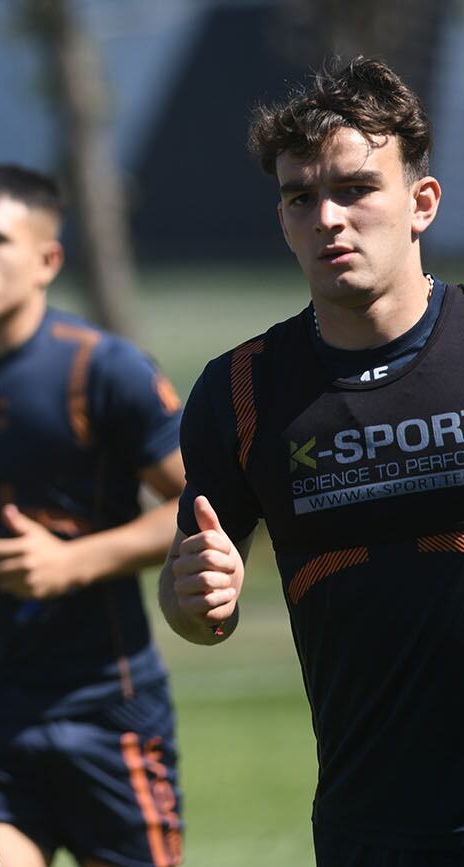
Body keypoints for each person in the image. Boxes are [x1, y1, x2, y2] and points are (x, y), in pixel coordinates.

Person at [159, 57, 461, 863]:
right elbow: (195, 604)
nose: (328, 217)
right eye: (301, 197)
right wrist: (191, 595)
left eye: (356, 188)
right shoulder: (243, 390)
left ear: (421, 203)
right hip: (373, 821)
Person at [0, 165, 185, 867]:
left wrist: (74, 560)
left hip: (105, 707)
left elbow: (202, 508)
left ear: (48, 259)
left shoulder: (102, 368)